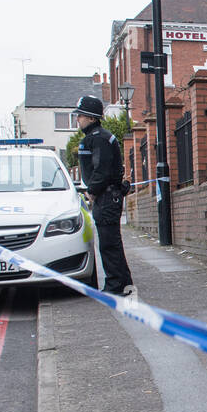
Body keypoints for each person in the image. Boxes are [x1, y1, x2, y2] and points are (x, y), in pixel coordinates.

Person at [74, 95, 134, 295]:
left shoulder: (97, 138)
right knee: (112, 242)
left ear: (91, 118)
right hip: (110, 195)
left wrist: (92, 190)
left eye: (81, 116)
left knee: (108, 244)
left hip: (106, 197)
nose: (78, 119)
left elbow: (102, 170)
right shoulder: (100, 137)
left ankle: (115, 285)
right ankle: (123, 281)